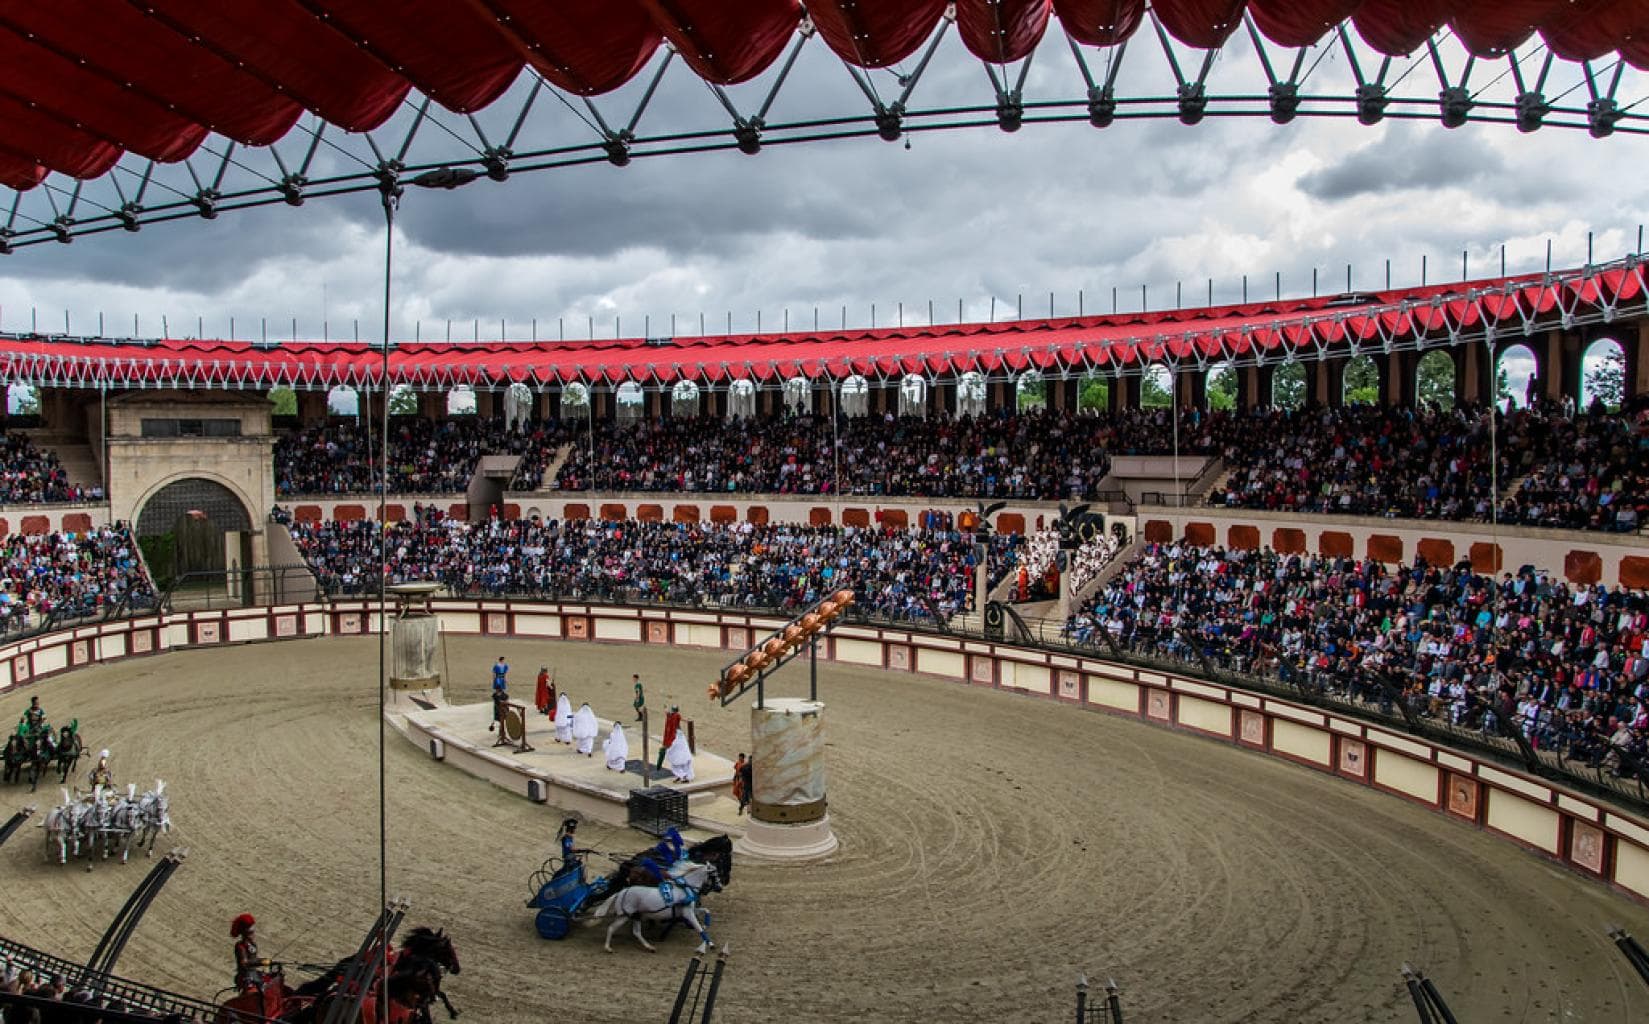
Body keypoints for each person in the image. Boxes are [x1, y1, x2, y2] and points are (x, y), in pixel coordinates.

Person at [230, 914, 261, 991]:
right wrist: (261, 962)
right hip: (246, 978)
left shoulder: (253, 944)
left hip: (254, 975)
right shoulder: (240, 946)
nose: (253, 931)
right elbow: (244, 963)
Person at [655, 705, 682, 770]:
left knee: (664, 750)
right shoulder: (676, 716)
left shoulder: (672, 715)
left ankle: (658, 766)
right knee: (674, 751)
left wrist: (665, 708)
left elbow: (667, 712)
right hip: (672, 736)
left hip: (670, 737)